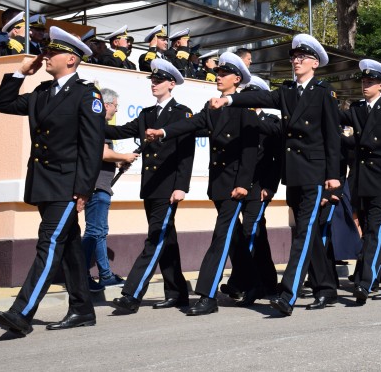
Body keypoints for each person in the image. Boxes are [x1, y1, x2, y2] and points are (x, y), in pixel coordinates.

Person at [207, 33, 341, 316]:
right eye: (293, 57)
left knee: (304, 233)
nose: (296, 61)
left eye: (302, 57)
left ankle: (288, 294)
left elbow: (332, 137)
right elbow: (262, 96)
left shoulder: (324, 92)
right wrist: (230, 101)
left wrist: (334, 176)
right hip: (293, 173)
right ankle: (326, 287)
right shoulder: (288, 91)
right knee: (307, 233)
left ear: (315, 62)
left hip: (315, 172)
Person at [0, 27, 104, 335]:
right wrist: (19, 73)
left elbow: (92, 147)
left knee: (50, 242)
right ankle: (82, 310)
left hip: (68, 185)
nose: (46, 56)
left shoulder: (86, 94)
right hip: (43, 183)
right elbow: (2, 104)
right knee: (66, 248)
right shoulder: (41, 92)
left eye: (52, 53)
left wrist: (84, 189)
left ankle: (22, 312)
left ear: (70, 58)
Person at [145, 53, 259, 316]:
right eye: (217, 73)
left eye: (223, 74)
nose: (218, 77)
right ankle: (255, 284)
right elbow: (190, 124)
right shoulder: (212, 107)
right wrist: (163, 132)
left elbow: (250, 150)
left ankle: (208, 295)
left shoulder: (245, 108)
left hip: (235, 187)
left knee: (221, 237)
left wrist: (244, 184)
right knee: (236, 239)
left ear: (237, 79)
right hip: (219, 185)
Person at [107, 60, 196, 314]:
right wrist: (90, 123)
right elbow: (121, 130)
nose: (154, 84)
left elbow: (185, 154)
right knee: (166, 239)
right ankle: (177, 292)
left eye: (159, 81)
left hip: (169, 188)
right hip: (151, 187)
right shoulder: (147, 113)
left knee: (155, 239)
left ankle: (132, 294)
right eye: (152, 81)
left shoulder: (182, 114)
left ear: (172, 83)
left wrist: (181, 187)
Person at [342, 60, 381, 303]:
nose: (365, 85)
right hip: (361, 181)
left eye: (370, 82)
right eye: (363, 81)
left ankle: (365, 282)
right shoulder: (358, 108)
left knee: (374, 231)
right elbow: (342, 121)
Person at [221, 75, 282, 306]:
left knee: (250, 230)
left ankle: (240, 282)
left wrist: (270, 186)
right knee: (258, 236)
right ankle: (268, 282)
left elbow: (275, 159)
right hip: (240, 185)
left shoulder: (271, 121)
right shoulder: (239, 119)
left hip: (259, 187)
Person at [83, 88, 139, 292]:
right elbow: (102, 153)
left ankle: (105, 275)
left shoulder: (100, 126)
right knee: (94, 231)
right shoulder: (98, 125)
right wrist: (124, 157)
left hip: (101, 187)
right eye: (115, 105)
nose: (116, 110)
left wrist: (118, 164)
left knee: (99, 232)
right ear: (106, 105)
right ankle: (83, 276)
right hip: (97, 188)